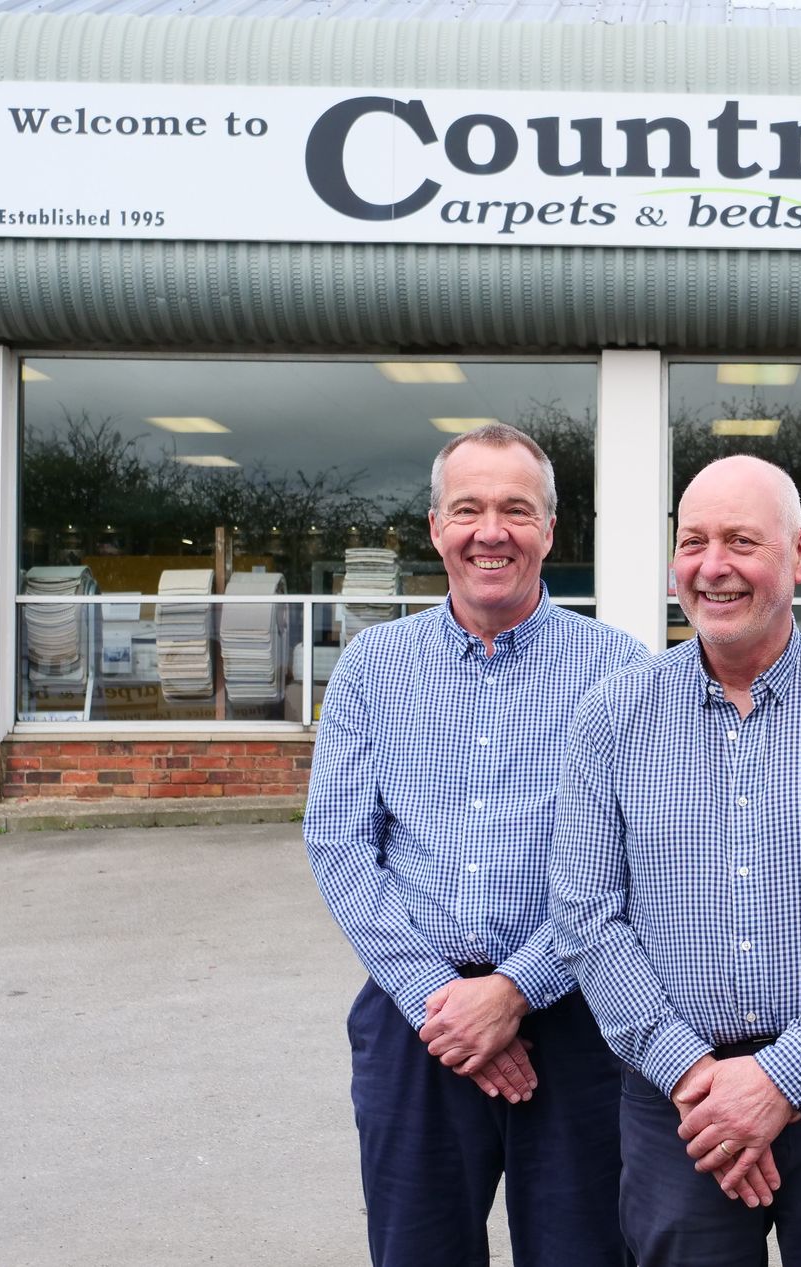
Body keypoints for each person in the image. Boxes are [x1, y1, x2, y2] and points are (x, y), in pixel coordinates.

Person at [550, 454, 801, 1267]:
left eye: (740, 540)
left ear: (798, 554)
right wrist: (696, 1075)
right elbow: (588, 912)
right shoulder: (610, 716)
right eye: (693, 541)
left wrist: (777, 1079)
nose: (713, 565)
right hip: (675, 1103)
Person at [304, 422, 643, 1267]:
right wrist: (445, 1004)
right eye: (468, 509)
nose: (491, 531)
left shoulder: (623, 674)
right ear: (435, 527)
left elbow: (636, 863)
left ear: (551, 530)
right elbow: (341, 845)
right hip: (415, 1021)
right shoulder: (372, 668)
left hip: (581, 1021)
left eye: (516, 510)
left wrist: (515, 992)